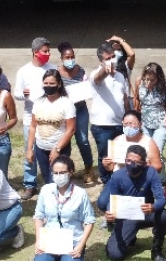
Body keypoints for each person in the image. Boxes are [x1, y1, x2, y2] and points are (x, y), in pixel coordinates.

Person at [97, 145, 166, 261]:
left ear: (144, 163)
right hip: (127, 216)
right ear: (125, 159)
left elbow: (161, 199)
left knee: (163, 215)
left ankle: (157, 250)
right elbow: (113, 200)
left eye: (137, 162)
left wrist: (153, 207)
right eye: (129, 161)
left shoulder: (151, 173)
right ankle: (126, 236)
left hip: (145, 213)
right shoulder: (117, 176)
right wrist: (110, 213)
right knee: (115, 255)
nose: (132, 164)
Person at [31, 156, 96, 261]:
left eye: (62, 172)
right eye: (55, 173)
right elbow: (39, 216)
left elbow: (89, 221)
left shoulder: (80, 193)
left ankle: (67, 259)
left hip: (72, 242)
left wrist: (80, 245)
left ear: (70, 172)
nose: (58, 176)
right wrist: (39, 241)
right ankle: (55, 258)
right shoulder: (46, 190)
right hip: (50, 241)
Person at [14, 37, 56, 197]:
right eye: (45, 51)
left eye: (48, 51)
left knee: (50, 149)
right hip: (29, 117)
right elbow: (17, 93)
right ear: (35, 52)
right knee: (29, 150)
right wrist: (23, 95)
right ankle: (30, 184)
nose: (48, 54)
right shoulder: (23, 71)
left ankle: (51, 181)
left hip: (50, 117)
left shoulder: (52, 69)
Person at [25, 69, 77, 194]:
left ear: (59, 84)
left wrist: (57, 149)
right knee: (47, 179)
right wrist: (29, 148)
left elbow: (71, 129)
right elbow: (33, 126)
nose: (48, 86)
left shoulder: (67, 104)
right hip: (41, 147)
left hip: (60, 148)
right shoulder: (38, 102)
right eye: (46, 83)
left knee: (58, 180)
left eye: (52, 84)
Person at [89, 42, 130, 184]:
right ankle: (106, 182)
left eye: (113, 56)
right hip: (102, 125)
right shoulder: (95, 75)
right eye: (108, 58)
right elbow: (98, 78)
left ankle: (119, 180)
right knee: (105, 156)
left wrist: (129, 116)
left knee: (120, 155)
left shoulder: (120, 76)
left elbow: (125, 98)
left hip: (120, 124)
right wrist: (105, 70)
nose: (112, 59)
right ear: (101, 60)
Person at [56, 42, 95, 182]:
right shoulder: (57, 73)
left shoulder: (80, 70)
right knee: (63, 141)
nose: (70, 59)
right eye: (67, 57)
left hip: (80, 110)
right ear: (62, 58)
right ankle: (65, 170)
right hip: (64, 113)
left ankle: (89, 169)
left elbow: (86, 88)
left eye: (72, 56)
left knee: (83, 140)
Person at [103, 110, 162, 175]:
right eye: (126, 124)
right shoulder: (117, 140)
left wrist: (142, 165)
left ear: (140, 124)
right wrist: (107, 164)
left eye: (132, 123)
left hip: (141, 179)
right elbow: (110, 168)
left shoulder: (149, 143)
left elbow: (158, 167)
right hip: (120, 178)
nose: (129, 126)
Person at [133, 62, 166, 154]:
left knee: (157, 152)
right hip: (145, 122)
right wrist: (136, 115)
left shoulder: (164, 84)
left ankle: (158, 168)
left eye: (152, 80)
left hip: (161, 121)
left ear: (158, 78)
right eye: (147, 79)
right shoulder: (139, 82)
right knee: (146, 151)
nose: (149, 82)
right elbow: (136, 98)